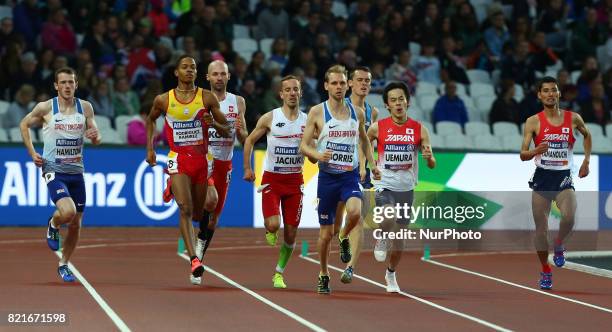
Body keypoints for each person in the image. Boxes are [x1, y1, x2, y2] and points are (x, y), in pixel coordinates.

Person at [146, 55, 229, 283]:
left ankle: (172, 191)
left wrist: (216, 124)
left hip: (202, 160)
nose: (190, 70)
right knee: (184, 208)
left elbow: (226, 131)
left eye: (193, 67)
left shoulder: (207, 98)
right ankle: (194, 259)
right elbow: (150, 119)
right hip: (178, 159)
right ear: (176, 72)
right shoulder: (164, 100)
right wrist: (150, 149)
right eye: (185, 67)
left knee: (200, 212)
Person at [299, 64, 380, 294]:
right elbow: (304, 145)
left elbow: (364, 141)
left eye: (342, 83)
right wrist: (316, 154)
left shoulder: (358, 113)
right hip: (327, 178)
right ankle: (323, 273)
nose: (338, 87)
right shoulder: (317, 111)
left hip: (349, 175)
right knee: (325, 235)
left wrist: (372, 165)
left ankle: (344, 236)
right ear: (326, 86)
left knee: (355, 212)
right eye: (334, 83)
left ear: (347, 85)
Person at [19, 67, 102, 282]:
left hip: (77, 172)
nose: (67, 86)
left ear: (76, 85)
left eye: (71, 82)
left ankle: (64, 263)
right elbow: (24, 124)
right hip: (53, 169)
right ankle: (54, 224)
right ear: (56, 85)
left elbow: (96, 134)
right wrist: (32, 153)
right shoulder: (46, 107)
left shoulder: (85, 107)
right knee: (68, 212)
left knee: (76, 223)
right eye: (63, 82)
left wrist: (94, 136)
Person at [520, 76, 592, 290]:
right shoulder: (533, 121)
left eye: (554, 90)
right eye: (546, 91)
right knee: (540, 229)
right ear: (539, 95)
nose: (550, 94)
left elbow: (587, 136)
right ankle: (545, 269)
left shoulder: (573, 118)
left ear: (559, 94)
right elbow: (523, 154)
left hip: (563, 176)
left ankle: (559, 242)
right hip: (542, 178)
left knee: (568, 217)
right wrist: (534, 151)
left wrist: (586, 160)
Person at [368, 82, 436, 292]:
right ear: (387, 105)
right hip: (384, 183)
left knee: (400, 242)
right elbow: (364, 143)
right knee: (387, 217)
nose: (398, 103)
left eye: (401, 99)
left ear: (408, 101)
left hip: (406, 188)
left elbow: (431, 163)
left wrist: (429, 158)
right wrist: (369, 165)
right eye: (393, 100)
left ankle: (391, 274)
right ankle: (381, 237)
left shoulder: (419, 129)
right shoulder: (378, 127)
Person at [243, 75, 306, 289]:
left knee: (291, 234)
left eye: (295, 89)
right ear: (281, 94)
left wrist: (314, 153)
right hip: (272, 180)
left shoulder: (308, 121)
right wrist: (247, 167)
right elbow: (250, 140)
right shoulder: (270, 117)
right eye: (287, 89)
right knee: (273, 224)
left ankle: (278, 273)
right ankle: (270, 229)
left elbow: (314, 151)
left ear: (300, 92)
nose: (291, 93)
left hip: (295, 182)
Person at [192, 60, 248, 284]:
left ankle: (198, 257)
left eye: (222, 74)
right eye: (214, 74)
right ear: (207, 77)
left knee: (213, 220)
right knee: (211, 199)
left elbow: (244, 136)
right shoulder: (200, 99)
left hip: (226, 162)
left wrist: (242, 133)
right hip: (205, 159)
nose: (218, 78)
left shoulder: (238, 102)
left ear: (228, 76)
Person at [336, 66, 380, 284]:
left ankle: (350, 267)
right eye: (360, 80)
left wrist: (368, 165)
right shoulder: (339, 109)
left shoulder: (373, 112)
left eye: (368, 81)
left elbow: (368, 143)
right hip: (337, 169)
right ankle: (340, 239)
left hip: (361, 173)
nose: (364, 84)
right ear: (350, 83)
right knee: (333, 227)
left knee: (359, 218)